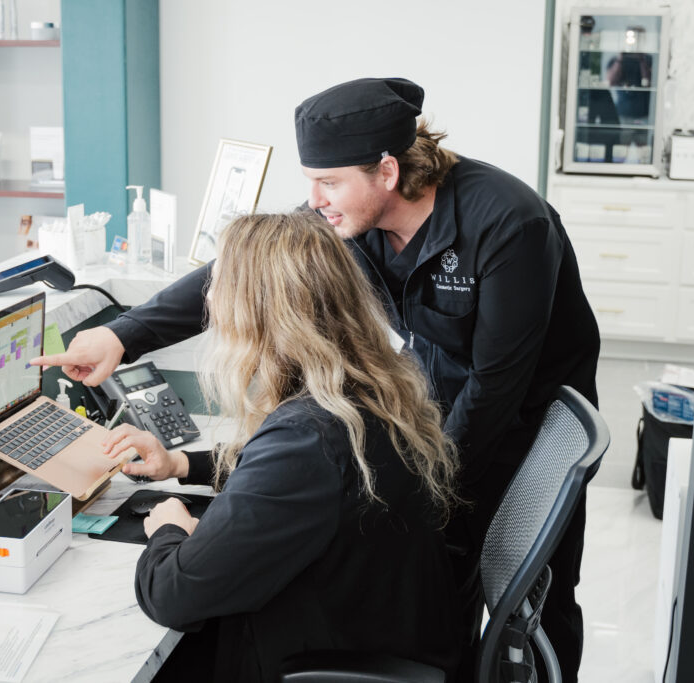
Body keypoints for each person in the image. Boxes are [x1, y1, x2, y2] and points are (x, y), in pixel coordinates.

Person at [33, 77, 600, 682]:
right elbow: (248, 272)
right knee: (429, 583)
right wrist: (123, 337)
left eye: (328, 182)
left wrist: (425, 489)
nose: (314, 200)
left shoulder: (509, 222)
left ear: (387, 172)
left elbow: (494, 386)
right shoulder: (351, 216)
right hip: (429, 422)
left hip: (525, 428)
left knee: (535, 600)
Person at [96, 212, 464, 682]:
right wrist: (180, 463)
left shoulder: (306, 440)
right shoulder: (366, 393)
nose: (207, 298)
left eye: (217, 284)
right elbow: (299, 479)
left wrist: (168, 528)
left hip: (323, 658)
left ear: (255, 308)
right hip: (382, 632)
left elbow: (171, 595)